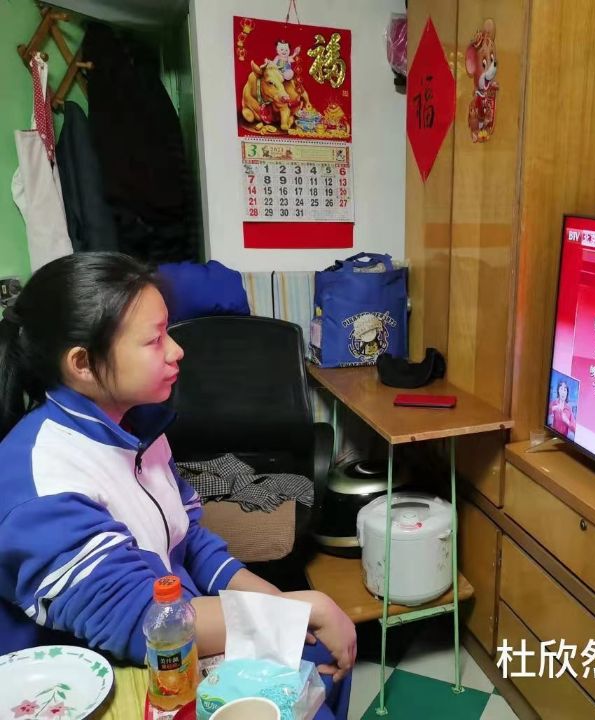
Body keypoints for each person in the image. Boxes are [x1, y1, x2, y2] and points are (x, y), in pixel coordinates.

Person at [0, 253, 354, 719]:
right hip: (113, 675)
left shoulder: (136, 429)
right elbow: (137, 620)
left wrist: (280, 604)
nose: (176, 350)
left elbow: (187, 541)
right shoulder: (42, 481)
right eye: (154, 340)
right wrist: (298, 611)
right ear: (82, 363)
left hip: (174, 631)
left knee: (319, 656)